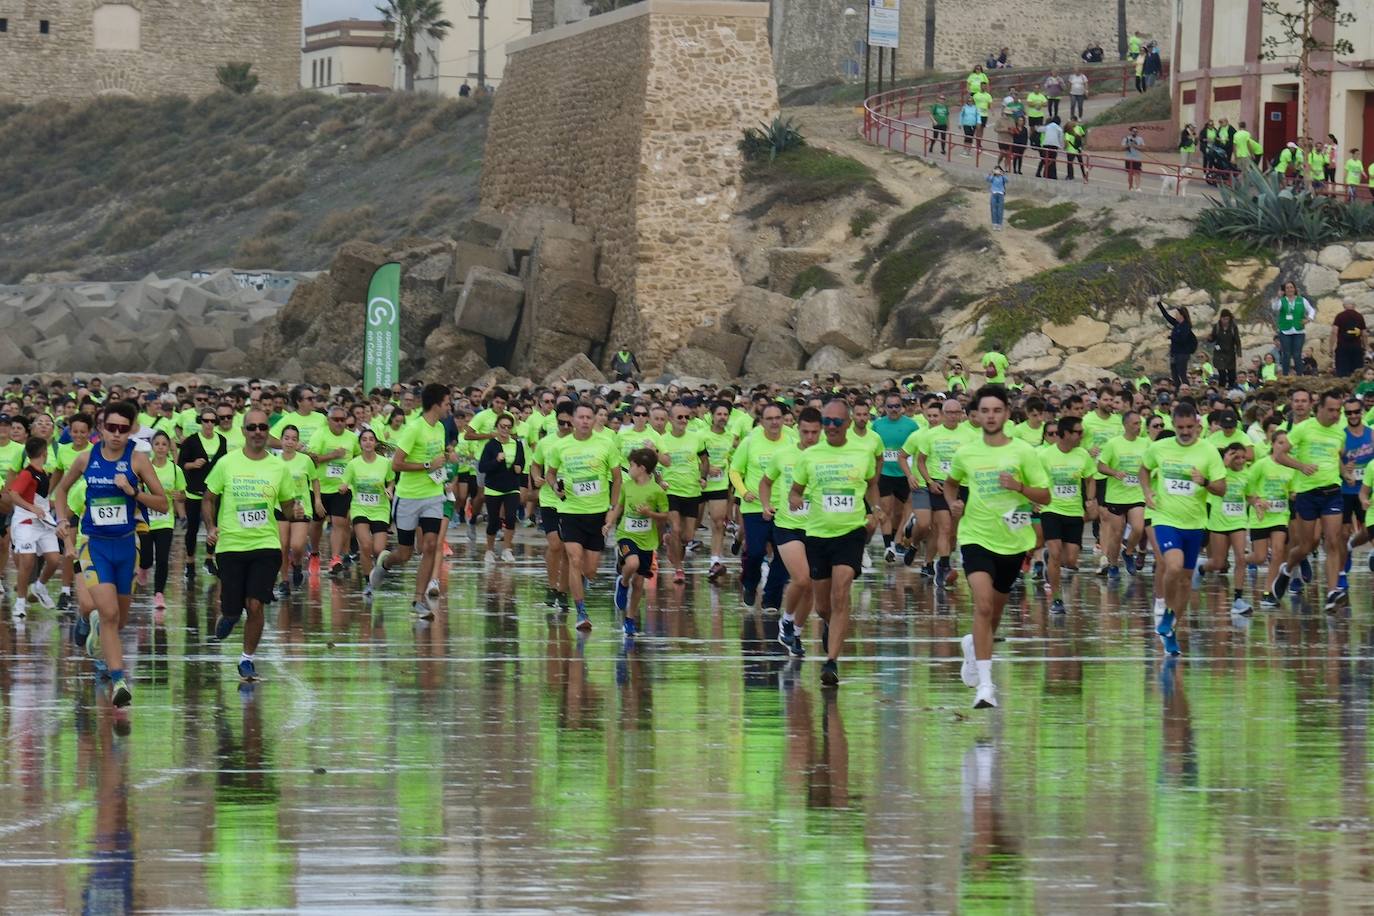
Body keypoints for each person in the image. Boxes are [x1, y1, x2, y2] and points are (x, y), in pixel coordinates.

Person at [52, 400, 169, 708]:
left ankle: (98, 643)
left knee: (120, 621)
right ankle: (118, 680)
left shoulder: (138, 459)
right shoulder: (86, 458)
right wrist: (63, 521)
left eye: (123, 429)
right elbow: (61, 491)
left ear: (130, 430)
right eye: (111, 428)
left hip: (126, 546)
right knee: (108, 614)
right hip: (96, 546)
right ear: (101, 428)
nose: (116, 434)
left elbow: (163, 504)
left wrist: (133, 492)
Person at [948, 385, 1050, 709]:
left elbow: (1045, 496)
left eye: (997, 410)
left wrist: (1019, 486)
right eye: (985, 411)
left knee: (994, 612)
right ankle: (986, 687)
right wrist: (953, 503)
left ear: (1007, 413)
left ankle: (972, 646)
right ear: (976, 416)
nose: (991, 416)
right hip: (976, 536)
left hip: (1013, 539)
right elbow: (951, 482)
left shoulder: (1023, 452)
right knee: (982, 605)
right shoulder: (966, 453)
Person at [788, 399, 882, 687]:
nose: (830, 427)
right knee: (823, 606)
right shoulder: (810, 456)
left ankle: (831, 662)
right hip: (817, 534)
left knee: (842, 592)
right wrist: (795, 501)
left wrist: (875, 512)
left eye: (836, 422)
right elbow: (795, 491)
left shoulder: (862, 453)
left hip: (850, 533)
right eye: (826, 421)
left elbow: (872, 485)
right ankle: (829, 624)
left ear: (849, 423)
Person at [202, 408, 298, 684]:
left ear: (269, 432)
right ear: (243, 431)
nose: (258, 432)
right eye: (252, 427)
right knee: (234, 606)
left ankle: (246, 659)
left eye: (263, 427)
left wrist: (297, 512)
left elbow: (288, 506)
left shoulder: (279, 467)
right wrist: (210, 527)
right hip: (230, 544)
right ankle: (230, 615)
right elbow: (208, 498)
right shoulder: (227, 463)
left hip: (265, 544)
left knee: (255, 604)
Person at [1139, 402, 1227, 657]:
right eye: (1180, 427)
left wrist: (1205, 481)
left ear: (1198, 426)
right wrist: (1146, 491)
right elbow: (1144, 469)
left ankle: (1172, 629)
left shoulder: (1208, 451)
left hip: (1195, 523)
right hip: (1165, 518)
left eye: (1190, 427)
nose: (1185, 432)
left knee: (1186, 580)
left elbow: (1222, 488)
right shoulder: (1159, 448)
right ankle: (1166, 611)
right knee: (1173, 566)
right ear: (1173, 425)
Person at [370, 382, 451, 621]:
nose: (449, 407)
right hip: (407, 497)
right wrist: (427, 465)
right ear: (436, 404)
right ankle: (385, 563)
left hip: (433, 496)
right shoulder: (414, 429)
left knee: (429, 545)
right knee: (404, 554)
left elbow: (438, 460)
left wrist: (443, 471)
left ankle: (418, 600)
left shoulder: (441, 428)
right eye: (447, 403)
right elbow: (396, 464)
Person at [546, 402, 622, 630]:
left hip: (597, 513)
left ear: (595, 420)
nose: (585, 421)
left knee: (589, 570)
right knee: (574, 560)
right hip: (570, 512)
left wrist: (613, 507)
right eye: (581, 417)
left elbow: (617, 478)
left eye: (589, 417)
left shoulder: (606, 444)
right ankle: (581, 613)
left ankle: (580, 584)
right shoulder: (561, 446)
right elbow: (550, 474)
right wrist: (555, 488)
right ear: (573, 420)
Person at [1271, 390, 1350, 609]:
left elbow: (1336, 457)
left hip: (1332, 492)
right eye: (1331, 410)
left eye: (1338, 410)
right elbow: (1279, 455)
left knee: (1333, 541)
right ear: (1320, 408)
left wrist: (1346, 472)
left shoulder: (1339, 433)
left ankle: (1332, 592)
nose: (1335, 414)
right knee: (1307, 545)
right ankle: (1287, 570)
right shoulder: (1303, 428)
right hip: (1307, 493)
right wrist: (1301, 466)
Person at [731, 402, 793, 608]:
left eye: (778, 418)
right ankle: (750, 584)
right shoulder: (750, 442)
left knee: (784, 556)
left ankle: (771, 599)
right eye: (770, 419)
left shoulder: (793, 439)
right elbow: (734, 471)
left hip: (784, 509)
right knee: (755, 552)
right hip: (755, 507)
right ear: (761, 421)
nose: (775, 422)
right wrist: (743, 492)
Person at [605, 447, 669, 637]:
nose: (629, 468)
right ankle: (623, 582)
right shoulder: (627, 486)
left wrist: (650, 514)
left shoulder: (657, 491)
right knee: (633, 563)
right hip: (626, 534)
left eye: (631, 465)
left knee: (640, 583)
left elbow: (665, 515)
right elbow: (620, 506)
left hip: (646, 540)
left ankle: (630, 620)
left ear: (641, 468)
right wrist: (609, 523)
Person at [1037, 415, 1095, 612]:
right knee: (1055, 553)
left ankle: (1051, 562)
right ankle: (1056, 598)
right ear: (1065, 434)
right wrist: (1033, 500)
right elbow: (1033, 479)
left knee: (1070, 560)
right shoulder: (1045, 455)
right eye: (1078, 432)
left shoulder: (1082, 455)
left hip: (1074, 511)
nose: (1081, 435)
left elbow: (1090, 479)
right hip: (1051, 509)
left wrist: (1090, 500)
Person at [1193, 443, 1253, 613]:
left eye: (1243, 457)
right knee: (1219, 563)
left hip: (1238, 522)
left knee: (1241, 558)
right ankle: (1201, 567)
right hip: (1218, 521)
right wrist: (1224, 464)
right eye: (1236, 457)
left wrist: (1257, 502)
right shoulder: (1219, 472)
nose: (1240, 461)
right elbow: (1209, 486)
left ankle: (1238, 599)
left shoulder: (1248, 474)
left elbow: (1249, 495)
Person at [1097, 410, 1148, 577]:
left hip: (1136, 494)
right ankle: (1112, 565)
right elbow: (1101, 466)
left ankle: (1128, 552)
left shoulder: (1145, 443)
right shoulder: (1113, 444)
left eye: (1140, 423)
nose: (1138, 427)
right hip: (1116, 496)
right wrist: (1114, 473)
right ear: (1125, 425)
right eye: (1135, 423)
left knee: (1139, 528)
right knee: (1117, 534)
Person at [142, 430, 183, 612]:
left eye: (164, 444)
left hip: (165, 521)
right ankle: (143, 567)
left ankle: (159, 594)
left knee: (163, 558)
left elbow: (183, 495)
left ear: (169, 448)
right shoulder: (144, 467)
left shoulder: (175, 469)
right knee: (146, 557)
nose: (160, 447)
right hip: (145, 520)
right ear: (152, 447)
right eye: (157, 444)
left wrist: (179, 496)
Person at [477, 412, 526, 565]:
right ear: (497, 427)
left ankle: (507, 549)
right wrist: (496, 461)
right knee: (493, 521)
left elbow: (521, 461)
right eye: (502, 426)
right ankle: (490, 550)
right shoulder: (490, 445)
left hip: (512, 486)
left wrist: (519, 467)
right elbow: (482, 467)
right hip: (493, 487)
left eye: (508, 427)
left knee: (511, 517)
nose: (505, 429)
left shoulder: (517, 444)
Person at [1272, 280, 1315, 376]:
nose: (1289, 289)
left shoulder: (1301, 300)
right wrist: (1278, 297)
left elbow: (1311, 310)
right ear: (1284, 290)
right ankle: (1285, 375)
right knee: (1286, 354)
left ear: (1295, 289)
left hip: (1299, 330)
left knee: (1297, 354)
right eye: (1287, 288)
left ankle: (1299, 375)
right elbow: (1275, 308)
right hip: (1285, 330)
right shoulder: (1282, 301)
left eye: (1291, 287)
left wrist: (1309, 319)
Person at [1157, 301, 1197, 386]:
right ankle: (1178, 389)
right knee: (1174, 375)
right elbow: (1166, 316)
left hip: (1182, 354)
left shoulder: (1186, 326)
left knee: (1182, 374)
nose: (1176, 315)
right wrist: (1159, 304)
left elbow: (1182, 339)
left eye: (1177, 314)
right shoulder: (1177, 324)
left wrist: (1171, 337)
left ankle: (1186, 388)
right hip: (1174, 353)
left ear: (1181, 315)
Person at [1330, 299, 1367, 377]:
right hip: (1356, 347)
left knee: (1343, 373)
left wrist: (1331, 347)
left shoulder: (1340, 316)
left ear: (1344, 306)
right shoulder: (1360, 316)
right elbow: (1364, 334)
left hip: (1342, 347)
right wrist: (1365, 346)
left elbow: (1334, 332)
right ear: (1354, 305)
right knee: (1357, 372)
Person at [1211, 308, 1243, 389]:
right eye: (1224, 319)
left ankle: (1231, 389)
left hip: (1230, 354)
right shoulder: (1217, 327)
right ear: (1221, 318)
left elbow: (1237, 342)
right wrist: (1209, 338)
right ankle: (1221, 390)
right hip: (1219, 355)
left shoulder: (1233, 328)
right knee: (1222, 375)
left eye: (1227, 319)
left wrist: (1239, 356)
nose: (1225, 321)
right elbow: (1213, 339)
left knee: (1232, 375)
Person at [1122, 126, 1145, 191]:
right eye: (1134, 131)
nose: (1135, 132)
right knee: (1130, 173)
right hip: (1129, 158)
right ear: (1131, 131)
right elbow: (1122, 147)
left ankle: (1138, 188)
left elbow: (1143, 147)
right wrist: (1128, 145)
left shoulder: (1140, 139)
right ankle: (1131, 187)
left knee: (1138, 173)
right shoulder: (1126, 138)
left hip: (1137, 159)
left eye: (1136, 131)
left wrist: (1136, 146)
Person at [987, 165, 1008, 229]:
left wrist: (1003, 174)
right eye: (996, 170)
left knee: (1000, 209)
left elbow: (1007, 180)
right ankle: (994, 223)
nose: (997, 171)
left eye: (998, 170)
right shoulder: (993, 177)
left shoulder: (1002, 177)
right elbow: (988, 179)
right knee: (993, 209)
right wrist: (991, 173)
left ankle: (999, 224)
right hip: (994, 193)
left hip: (1001, 194)